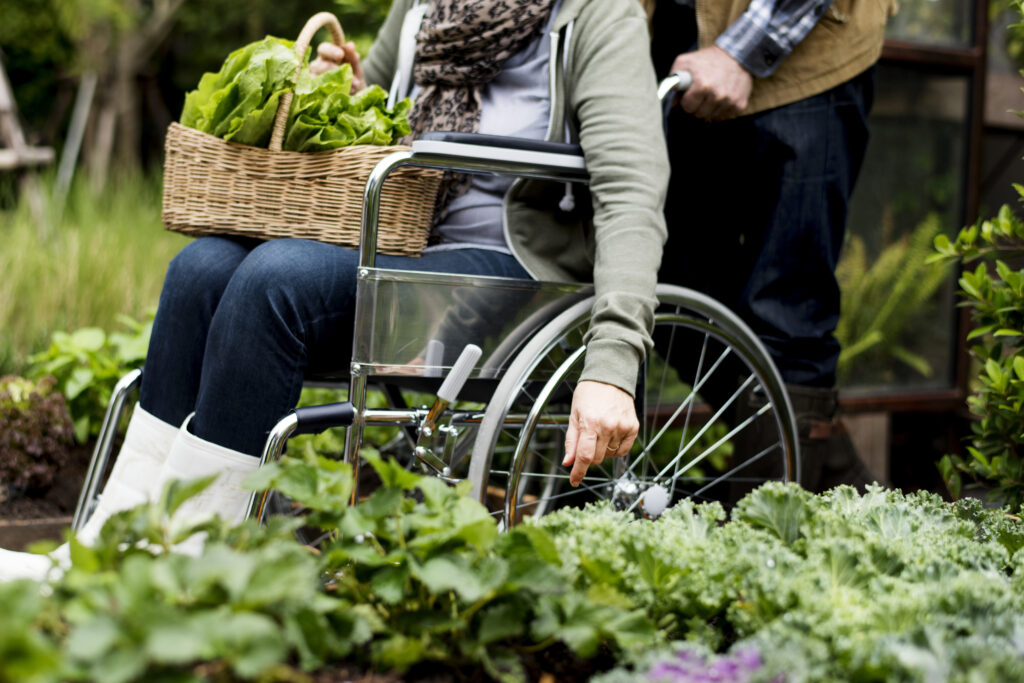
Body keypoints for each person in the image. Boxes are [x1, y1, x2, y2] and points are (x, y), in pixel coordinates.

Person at [0, 0, 669, 580]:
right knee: (201, 266)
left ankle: (194, 563)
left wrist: (612, 363)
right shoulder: (423, 8)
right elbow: (372, 112)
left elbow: (631, 190)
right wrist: (345, 91)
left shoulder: (592, 14)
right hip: (395, 242)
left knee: (276, 280)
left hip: (504, 265)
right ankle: (116, 539)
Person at [650, 0, 896, 491]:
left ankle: (768, 546)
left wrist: (741, 54)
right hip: (675, 50)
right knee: (659, 278)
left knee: (788, 308)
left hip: (807, 51)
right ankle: (833, 472)